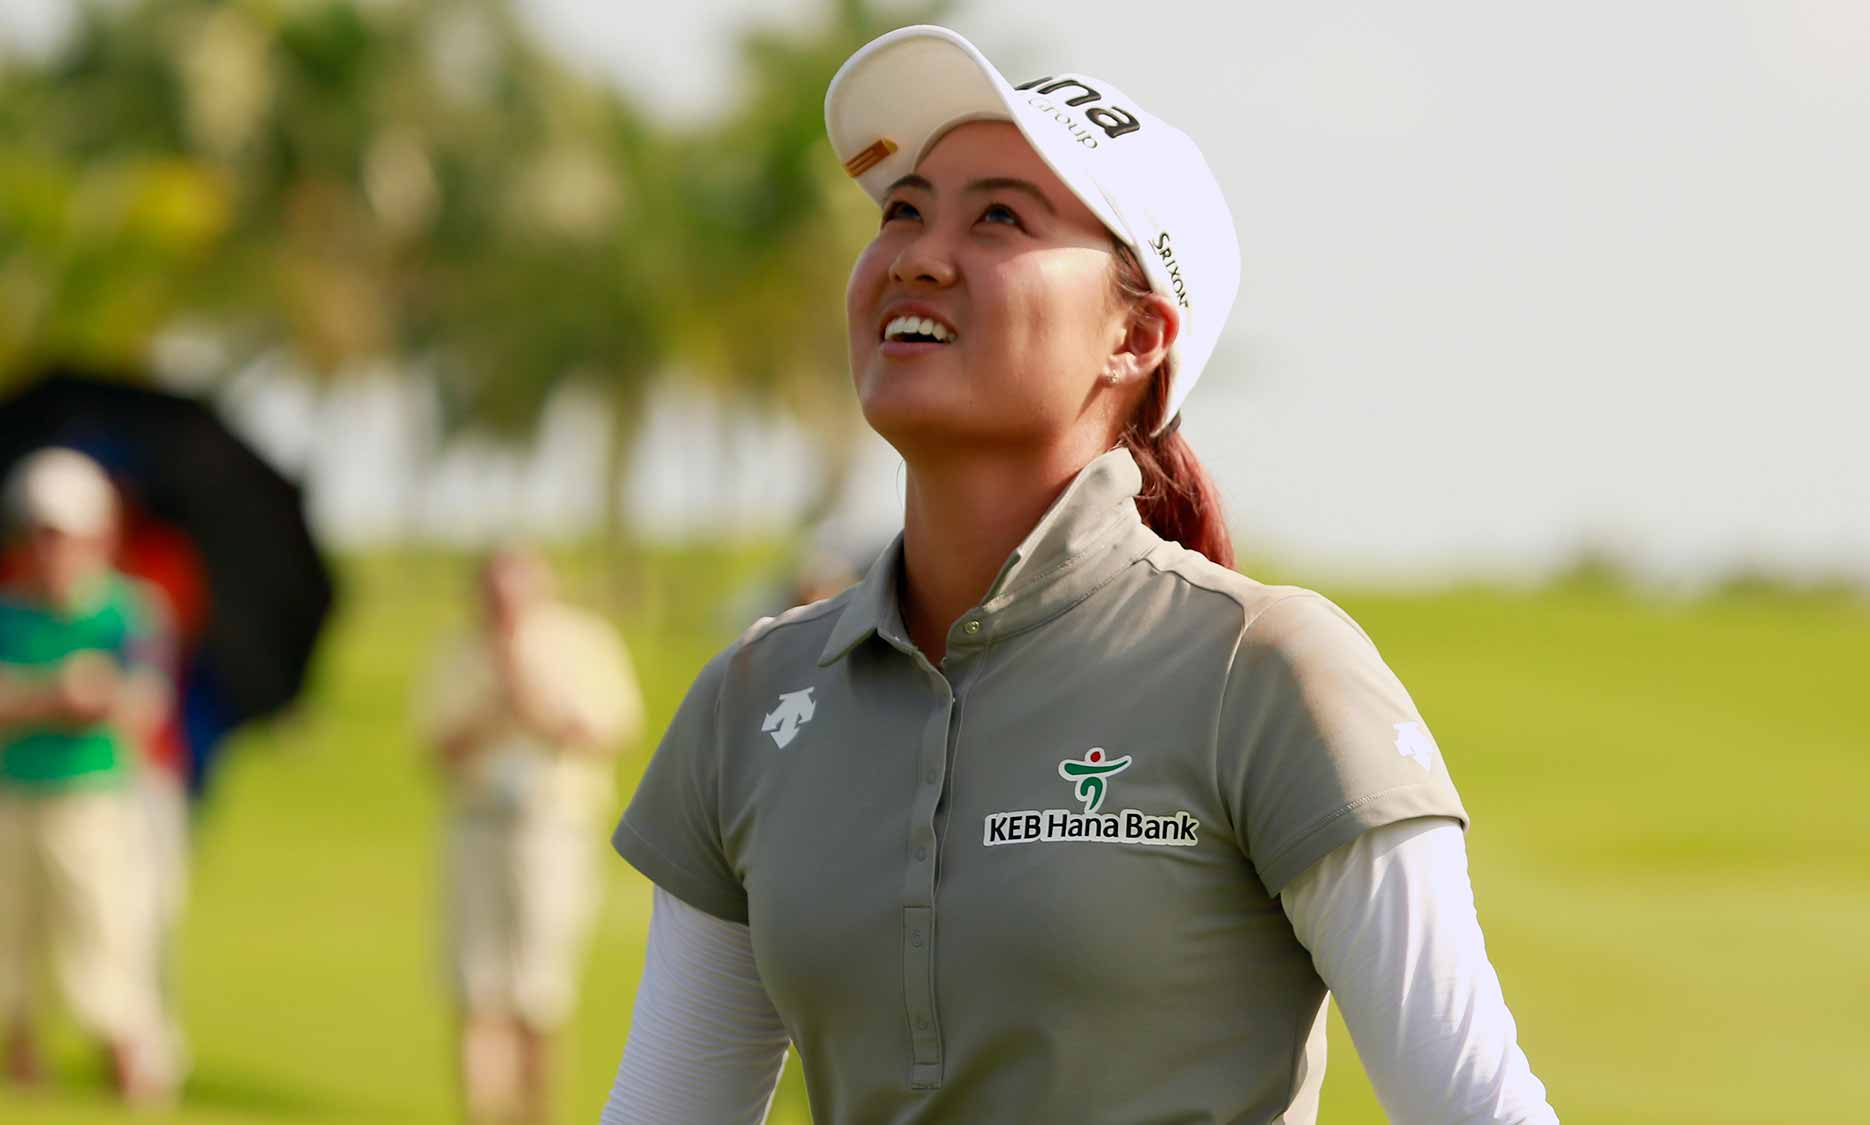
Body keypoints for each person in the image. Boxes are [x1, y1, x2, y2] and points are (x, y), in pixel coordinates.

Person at [604, 25, 1559, 1124]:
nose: (915, 253)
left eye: (999, 217)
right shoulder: (754, 700)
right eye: (901, 210)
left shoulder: (1266, 671)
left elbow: (1474, 1105)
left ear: (1135, 335)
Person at [419, 546, 644, 1125]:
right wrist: (494, 701)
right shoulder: (457, 651)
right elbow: (437, 747)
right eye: (492, 594)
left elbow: (606, 731)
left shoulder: (583, 643)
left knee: (539, 993)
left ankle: (537, 1113)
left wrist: (530, 694)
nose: (503, 607)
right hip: (475, 826)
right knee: (478, 989)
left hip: (551, 831)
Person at [0, 447, 178, 1107]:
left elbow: (145, 703)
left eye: (64, 536)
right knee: (10, 942)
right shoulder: (8, 614)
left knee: (106, 936)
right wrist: (56, 696)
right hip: (12, 793)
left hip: (94, 798)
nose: (52, 551)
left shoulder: (130, 611)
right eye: (40, 534)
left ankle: (130, 1062)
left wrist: (101, 698)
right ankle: (20, 1057)